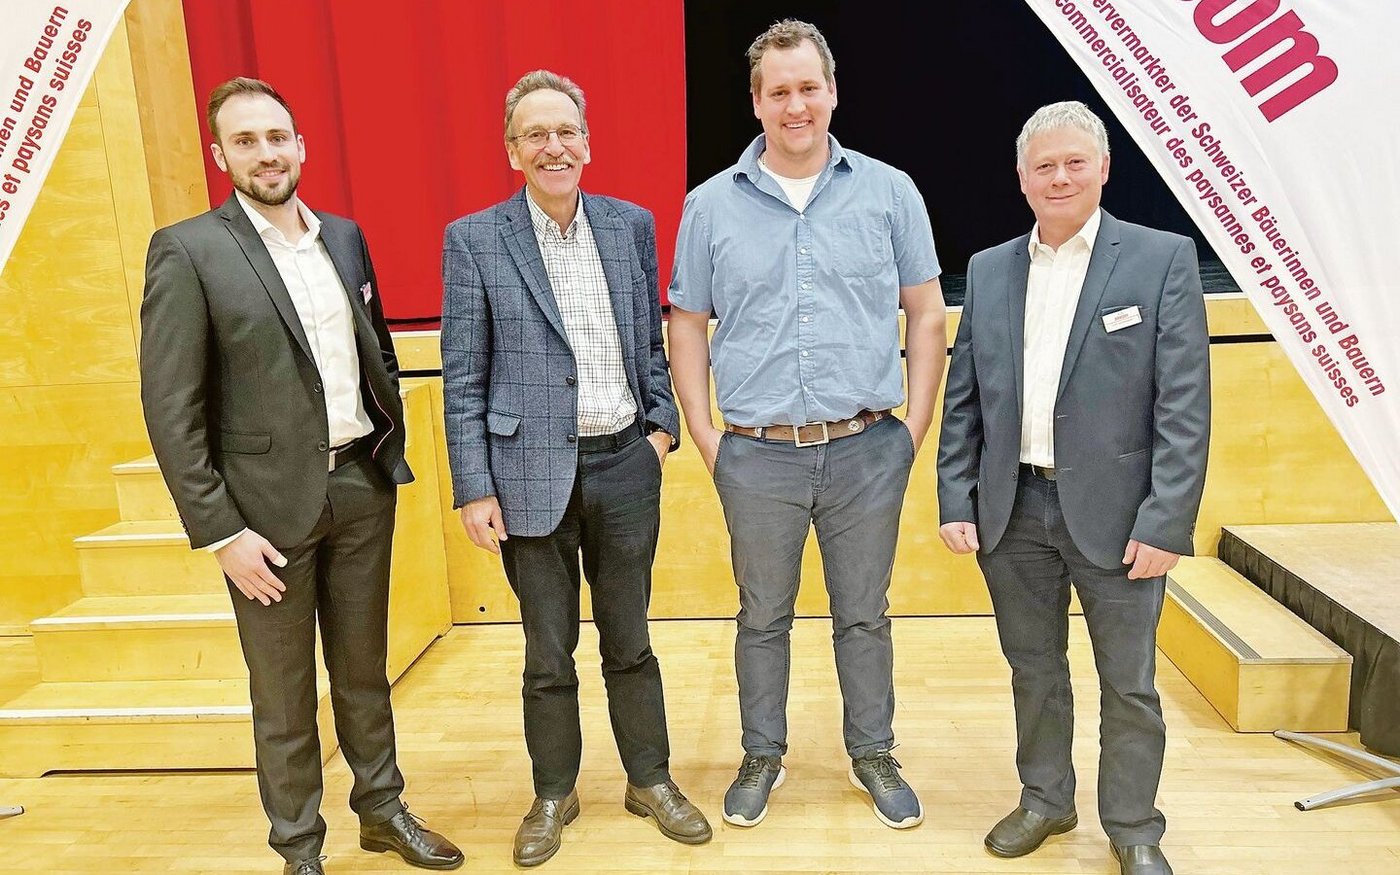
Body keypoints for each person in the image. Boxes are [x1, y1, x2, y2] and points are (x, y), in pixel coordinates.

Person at [139, 78, 462, 875]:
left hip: (360, 488)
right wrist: (219, 531)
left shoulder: (343, 237)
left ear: (301, 145)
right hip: (261, 515)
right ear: (221, 155)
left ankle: (382, 809)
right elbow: (170, 407)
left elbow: (376, 348)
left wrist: (388, 450)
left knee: (364, 673)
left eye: (277, 137)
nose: (266, 153)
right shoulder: (189, 250)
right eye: (245, 141)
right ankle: (298, 849)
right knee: (283, 696)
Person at [667, 19, 946, 831]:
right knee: (763, 614)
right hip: (757, 455)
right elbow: (687, 322)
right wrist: (707, 433)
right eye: (779, 91)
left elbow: (926, 313)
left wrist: (913, 426)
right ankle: (763, 752)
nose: (797, 104)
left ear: (833, 91)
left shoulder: (889, 191)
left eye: (809, 87)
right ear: (756, 103)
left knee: (865, 610)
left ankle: (873, 752)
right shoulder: (711, 205)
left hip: (868, 447)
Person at [440, 69, 710, 867]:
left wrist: (659, 432)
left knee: (631, 639)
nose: (553, 146)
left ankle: (649, 778)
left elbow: (649, 342)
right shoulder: (475, 239)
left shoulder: (630, 226)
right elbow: (463, 374)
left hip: (624, 463)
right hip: (526, 477)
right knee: (546, 649)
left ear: (587, 143)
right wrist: (474, 485)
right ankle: (554, 790)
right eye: (535, 135)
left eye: (566, 132)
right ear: (512, 151)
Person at [936, 101, 1210, 875]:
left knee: (1130, 684)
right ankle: (1046, 800)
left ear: (1103, 169)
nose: (1059, 177)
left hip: (1122, 518)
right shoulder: (990, 270)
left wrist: (1168, 519)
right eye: (1043, 166)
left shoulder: (1160, 258)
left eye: (1074, 163)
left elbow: (1184, 403)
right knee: (1035, 669)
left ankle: (1133, 826)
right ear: (1022, 178)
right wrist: (957, 497)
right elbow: (966, 398)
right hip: (1012, 510)